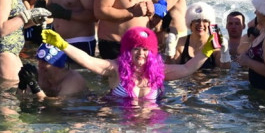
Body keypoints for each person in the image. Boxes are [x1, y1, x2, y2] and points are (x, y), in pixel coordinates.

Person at [42, 25, 213, 102]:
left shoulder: (159, 71)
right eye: (136, 49)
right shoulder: (115, 68)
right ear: (127, 50)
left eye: (145, 49)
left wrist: (207, 50)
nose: (141, 53)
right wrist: (63, 45)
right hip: (119, 122)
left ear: (152, 52)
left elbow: (187, 68)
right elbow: (88, 60)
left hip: (151, 124)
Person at [175, 2, 224, 69]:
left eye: (205, 21)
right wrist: (169, 53)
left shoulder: (214, 42)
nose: (201, 24)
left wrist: (225, 53)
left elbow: (224, 69)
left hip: (209, 76)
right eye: (197, 20)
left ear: (209, 24)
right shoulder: (182, 42)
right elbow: (173, 67)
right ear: (190, 24)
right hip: (187, 76)